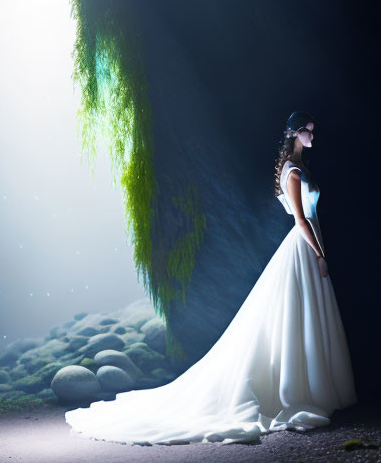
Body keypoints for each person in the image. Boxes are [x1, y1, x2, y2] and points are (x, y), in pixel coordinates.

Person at [63, 110, 356, 444]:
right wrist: (319, 255)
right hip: (304, 246)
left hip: (309, 244)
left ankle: (317, 387)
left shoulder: (301, 167)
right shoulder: (292, 172)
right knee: (295, 316)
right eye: (308, 130)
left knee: (306, 315)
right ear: (295, 133)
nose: (312, 135)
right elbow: (301, 221)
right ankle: (298, 389)